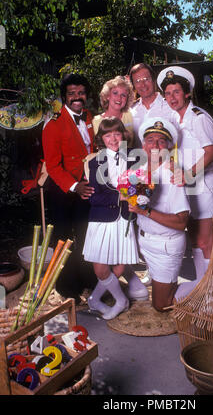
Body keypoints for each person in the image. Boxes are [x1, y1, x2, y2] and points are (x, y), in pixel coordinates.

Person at [157, 66, 213, 300]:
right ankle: (201, 290)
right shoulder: (174, 118)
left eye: (176, 92)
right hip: (188, 184)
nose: (172, 97)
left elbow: (212, 151)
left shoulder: (198, 117)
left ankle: (212, 294)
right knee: (195, 239)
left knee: (206, 242)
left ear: (187, 93)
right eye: (168, 93)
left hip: (203, 185)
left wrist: (188, 174)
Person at [42, 73, 97, 302]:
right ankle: (67, 289)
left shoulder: (90, 117)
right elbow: (53, 167)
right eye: (72, 93)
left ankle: (88, 280)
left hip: (86, 188)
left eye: (81, 93)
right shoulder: (52, 124)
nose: (77, 97)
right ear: (65, 96)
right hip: (63, 191)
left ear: (86, 96)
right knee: (63, 241)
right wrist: (75, 187)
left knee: (86, 237)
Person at [127, 117, 190, 311]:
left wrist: (145, 211)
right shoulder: (138, 172)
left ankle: (209, 287)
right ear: (143, 145)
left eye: (161, 141)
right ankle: (168, 287)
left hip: (165, 246)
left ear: (169, 147)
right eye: (150, 140)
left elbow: (182, 222)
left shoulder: (174, 175)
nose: (155, 145)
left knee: (161, 306)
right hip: (145, 242)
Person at [83, 117, 142, 320]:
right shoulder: (95, 162)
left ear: (123, 135)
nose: (113, 139)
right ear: (102, 138)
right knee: (100, 268)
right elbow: (93, 197)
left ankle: (94, 300)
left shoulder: (134, 159)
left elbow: (136, 189)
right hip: (101, 220)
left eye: (117, 133)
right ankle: (121, 300)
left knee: (119, 266)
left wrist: (136, 195)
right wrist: (120, 196)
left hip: (125, 219)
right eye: (108, 135)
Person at [129, 63, 174, 146]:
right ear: (134, 86)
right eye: (137, 81)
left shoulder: (171, 107)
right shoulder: (130, 112)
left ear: (154, 80)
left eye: (146, 79)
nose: (143, 85)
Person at [92, 76, 135, 147]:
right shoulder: (96, 122)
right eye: (115, 93)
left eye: (123, 95)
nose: (119, 98)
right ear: (107, 96)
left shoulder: (131, 115)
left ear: (127, 99)